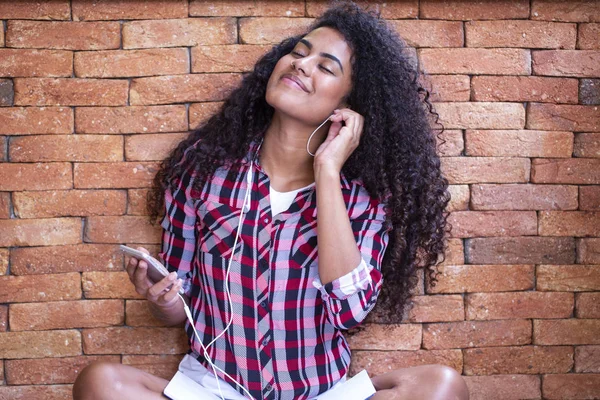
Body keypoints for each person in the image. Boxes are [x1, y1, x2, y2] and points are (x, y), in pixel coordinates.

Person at [73, 2, 469, 399]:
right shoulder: (203, 171)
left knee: (441, 387)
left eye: (326, 67)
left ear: (347, 108)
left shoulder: (363, 199)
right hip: (214, 389)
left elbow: (349, 312)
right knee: (101, 383)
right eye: (298, 52)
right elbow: (181, 304)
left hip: (317, 393)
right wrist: (163, 299)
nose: (301, 65)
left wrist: (327, 172)